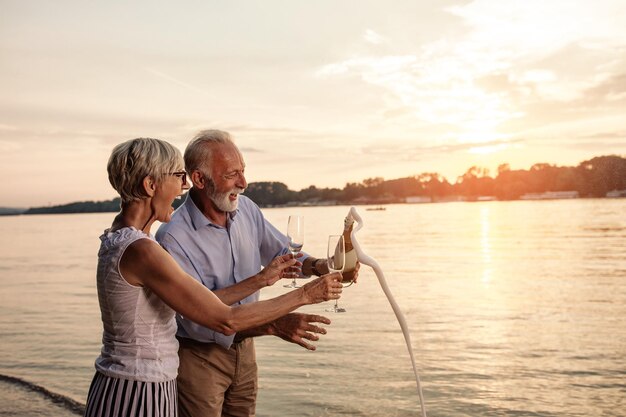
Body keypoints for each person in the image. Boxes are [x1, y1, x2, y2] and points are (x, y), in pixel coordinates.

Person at [84, 137, 342, 417]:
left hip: (132, 382)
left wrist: (264, 279)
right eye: (177, 176)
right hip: (138, 390)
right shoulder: (143, 250)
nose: (183, 187)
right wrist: (306, 295)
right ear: (150, 185)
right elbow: (224, 319)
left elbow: (201, 301)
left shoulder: (123, 240)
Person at [155, 130, 358, 417]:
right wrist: (274, 324)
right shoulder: (173, 238)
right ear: (199, 179)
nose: (243, 183)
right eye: (231, 174)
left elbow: (285, 257)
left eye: (243, 171)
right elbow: (199, 319)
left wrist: (325, 265)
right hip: (198, 359)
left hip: (246, 353)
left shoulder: (246, 209)